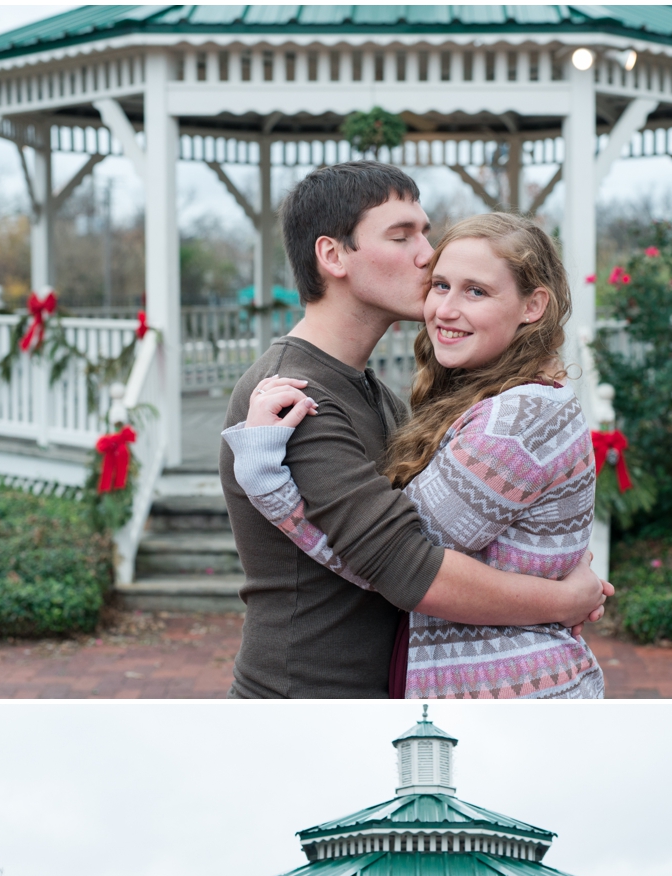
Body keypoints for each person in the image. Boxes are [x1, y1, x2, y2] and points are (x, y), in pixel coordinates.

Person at [218, 162, 609, 698]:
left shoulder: (372, 392)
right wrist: (562, 601)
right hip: (308, 700)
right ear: (333, 256)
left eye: (426, 232)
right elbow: (408, 566)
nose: (428, 254)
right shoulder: (294, 396)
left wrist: (552, 558)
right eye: (402, 236)